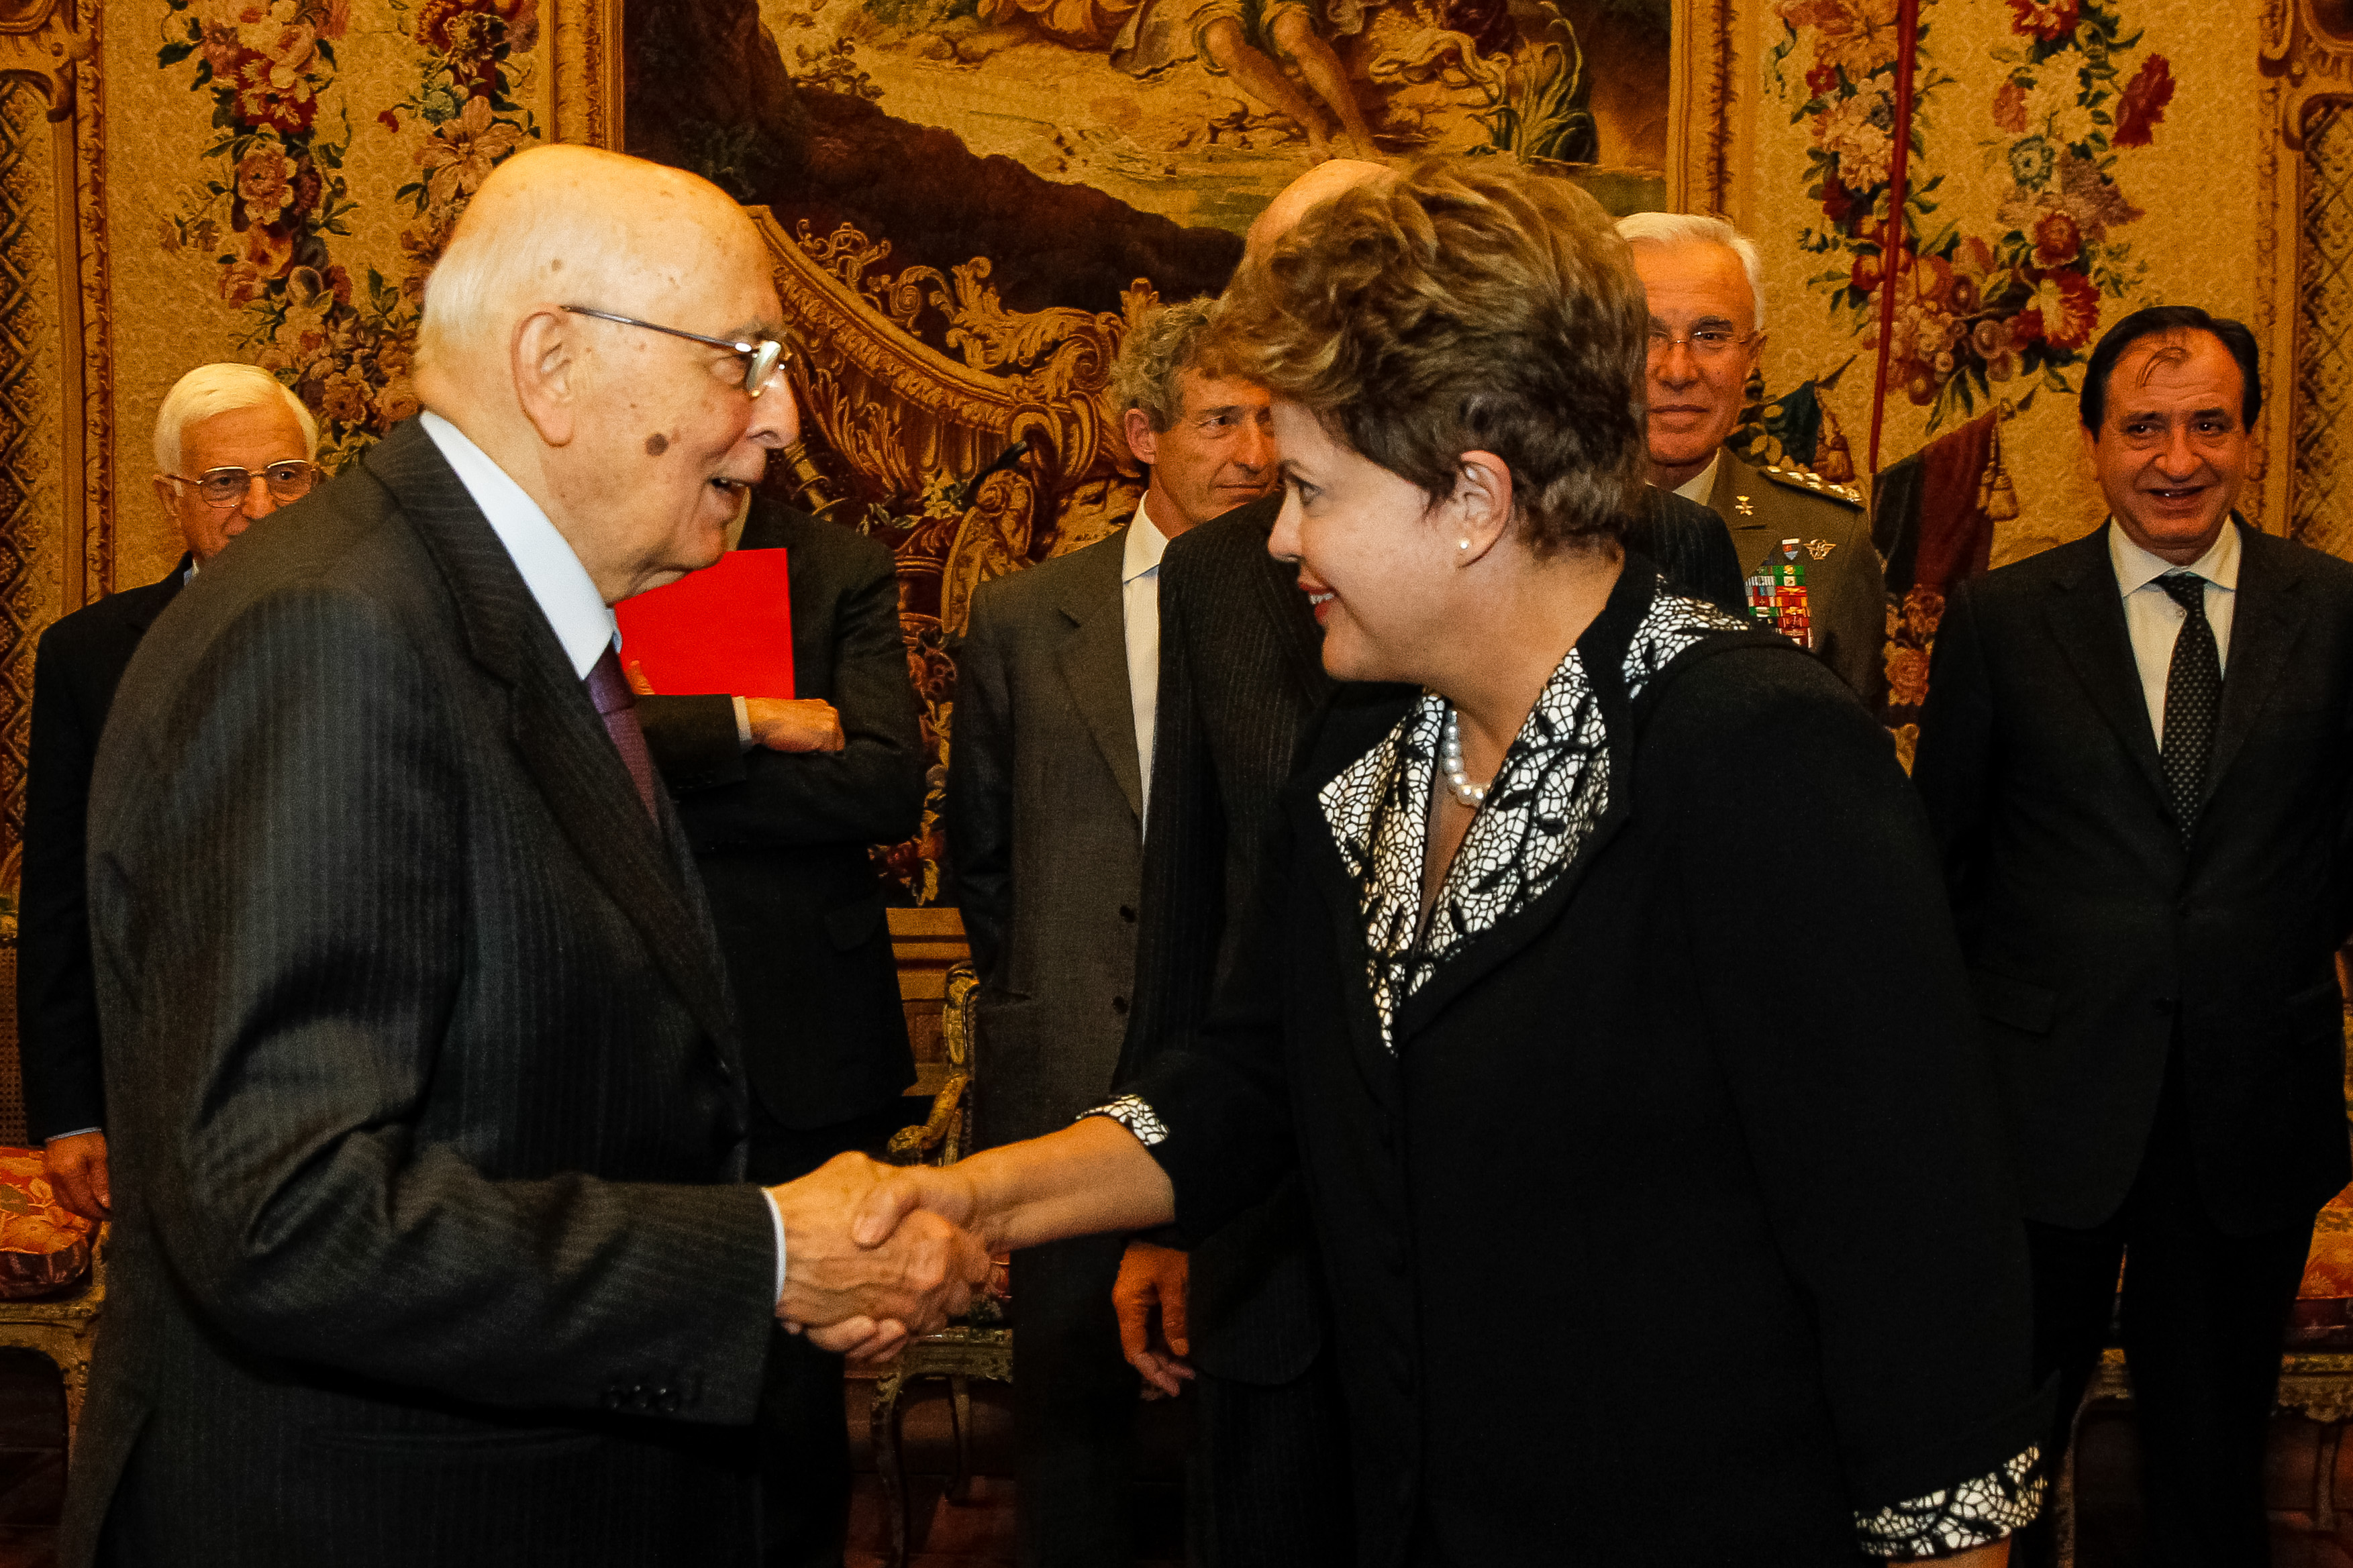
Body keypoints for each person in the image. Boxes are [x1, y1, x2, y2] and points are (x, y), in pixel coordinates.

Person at [860, 157, 2045, 1566]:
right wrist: (969, 1197)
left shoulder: (1752, 754)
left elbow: (1914, 1252)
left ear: (1471, 497)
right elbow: (1246, 1078)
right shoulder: (1368, 741)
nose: (1280, 535)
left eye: (1310, 486)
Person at [63, 144, 985, 1568]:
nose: (781, 420)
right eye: (743, 359)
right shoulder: (335, 634)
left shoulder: (487, 621)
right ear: (553, 364)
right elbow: (284, 1212)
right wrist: (764, 1257)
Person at [1105, 157, 1743, 1568]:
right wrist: (1085, 1199)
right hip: (1314, 1278)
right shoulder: (1289, 655)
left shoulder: (1718, 667)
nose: (1281, 534)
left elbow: (1882, 1208)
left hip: (1598, 1363)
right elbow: (1218, 954)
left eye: (1312, 489)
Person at [1911, 305, 2353, 1568]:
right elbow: (1942, 867)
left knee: (2211, 1476)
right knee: (1990, 1458)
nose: (2177, 458)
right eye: (2143, 427)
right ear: (2093, 445)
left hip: (2247, 1111)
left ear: (2250, 441)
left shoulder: (2332, 612)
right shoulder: (2001, 619)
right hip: (2038, 1115)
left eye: (2207, 424)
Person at [947, 293, 1276, 1567]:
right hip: (1066, 1077)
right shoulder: (1030, 617)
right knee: (1073, 1439)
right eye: (1219, 419)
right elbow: (982, 851)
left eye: (1269, 419)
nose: (1250, 452)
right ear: (1143, 434)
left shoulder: (1323, 595)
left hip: (1254, 1089)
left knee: (1245, 1430)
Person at [633, 492, 928, 1568]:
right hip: (631, 1028)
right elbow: (555, 746)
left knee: (796, 1401)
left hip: (803, 1035)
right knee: (649, 1370)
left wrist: (662, 774)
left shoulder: (836, 565)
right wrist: (752, 723)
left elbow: (884, 783)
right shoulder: (600, 539)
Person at [19, 363, 319, 1226]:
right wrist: (71, 1112)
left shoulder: (389, 631)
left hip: (352, 1081)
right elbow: (59, 899)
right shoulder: (89, 658)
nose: (260, 507)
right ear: (170, 500)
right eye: (225, 482)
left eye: (287, 476)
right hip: (162, 1088)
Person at [1617, 211, 1887, 702]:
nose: (1678, 370)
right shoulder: (1527, 527)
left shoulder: (1823, 541)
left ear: (1753, 357)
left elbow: (1850, 760)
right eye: (1646, 335)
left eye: (1711, 336)